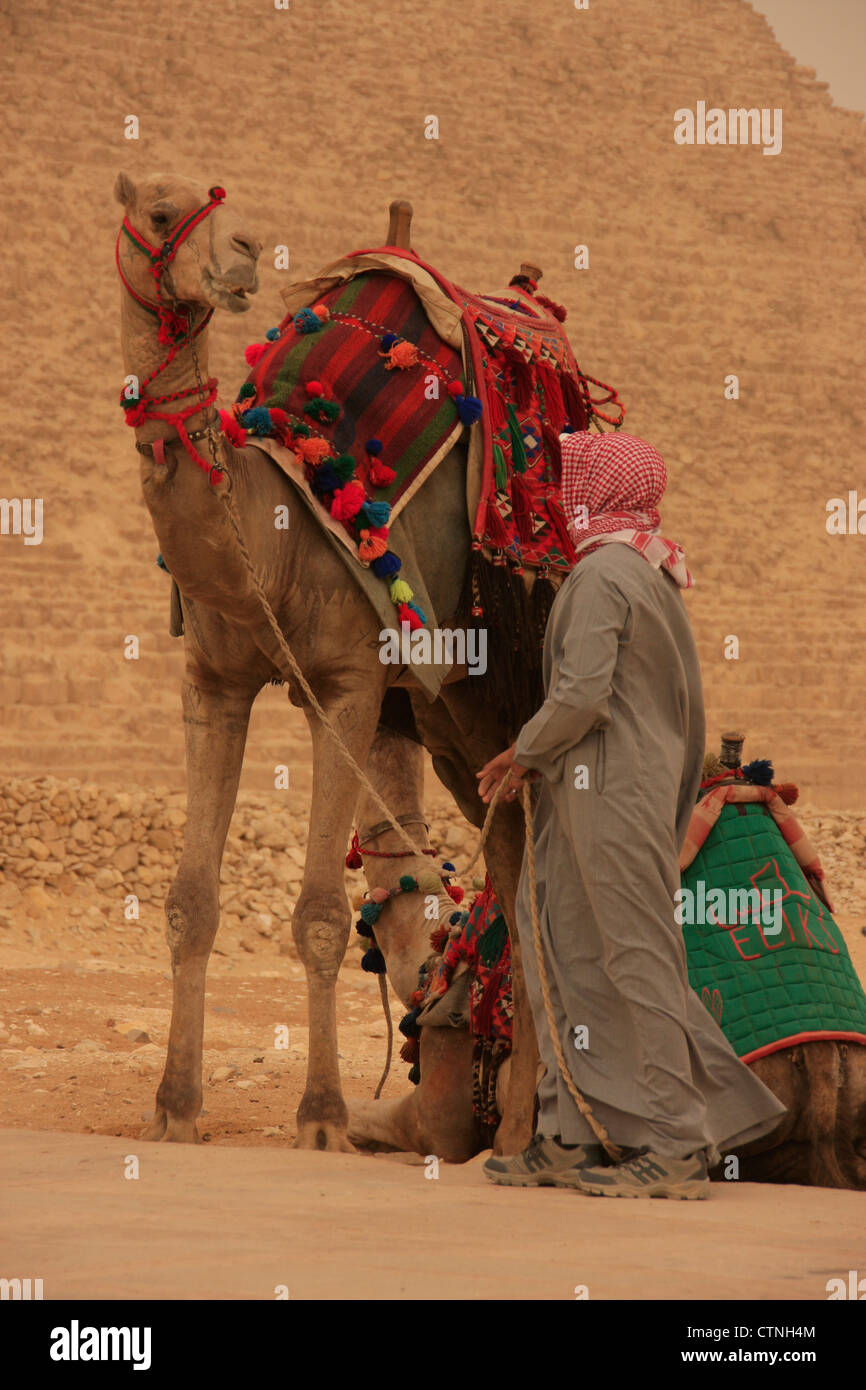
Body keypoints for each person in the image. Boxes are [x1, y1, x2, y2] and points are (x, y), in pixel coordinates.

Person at [476, 432, 786, 1199]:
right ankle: (571, 1132)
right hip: (598, 795)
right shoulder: (643, 574)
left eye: (569, 482)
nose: (556, 495)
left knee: (634, 956)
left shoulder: (603, 577)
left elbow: (581, 696)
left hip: (608, 797)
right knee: (564, 950)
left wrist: (521, 753)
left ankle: (681, 1143)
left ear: (594, 493)